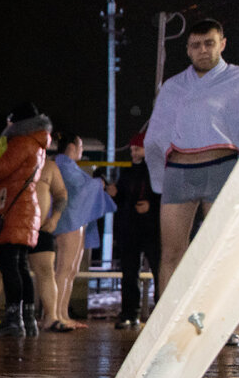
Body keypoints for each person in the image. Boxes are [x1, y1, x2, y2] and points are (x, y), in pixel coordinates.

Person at [145, 18, 239, 299]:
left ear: (222, 44)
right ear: (188, 50)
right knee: (171, 252)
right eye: (196, 45)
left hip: (220, 170)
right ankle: (164, 326)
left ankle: (218, 326)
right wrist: (158, 176)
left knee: (219, 253)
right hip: (179, 172)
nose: (203, 50)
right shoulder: (173, 86)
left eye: (209, 43)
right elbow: (155, 135)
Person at [0, 103, 51, 337]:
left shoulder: (22, 142)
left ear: (18, 122)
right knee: (20, 267)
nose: (7, 126)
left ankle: (13, 320)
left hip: (15, 211)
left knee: (10, 266)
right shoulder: (37, 144)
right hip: (26, 210)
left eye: (10, 121)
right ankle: (27, 320)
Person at [50, 133, 116, 331]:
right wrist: (99, 184)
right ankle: (56, 315)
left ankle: (63, 313)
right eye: (80, 146)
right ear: (71, 147)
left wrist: (96, 185)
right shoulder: (62, 165)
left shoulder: (69, 166)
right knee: (64, 268)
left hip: (76, 222)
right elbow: (80, 188)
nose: (82, 150)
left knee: (71, 270)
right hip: (68, 222)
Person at [112, 133, 161, 328]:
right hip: (130, 230)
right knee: (130, 273)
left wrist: (150, 206)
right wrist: (116, 194)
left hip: (151, 230)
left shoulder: (156, 172)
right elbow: (123, 199)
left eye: (137, 149)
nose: (133, 153)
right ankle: (129, 313)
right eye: (132, 149)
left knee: (159, 271)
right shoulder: (127, 173)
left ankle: (159, 311)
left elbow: (162, 197)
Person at [30, 149, 68, 331]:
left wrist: (55, 218)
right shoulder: (11, 159)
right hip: (13, 226)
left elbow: (61, 194)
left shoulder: (50, 166)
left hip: (42, 227)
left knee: (46, 271)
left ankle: (51, 317)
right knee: (1, 271)